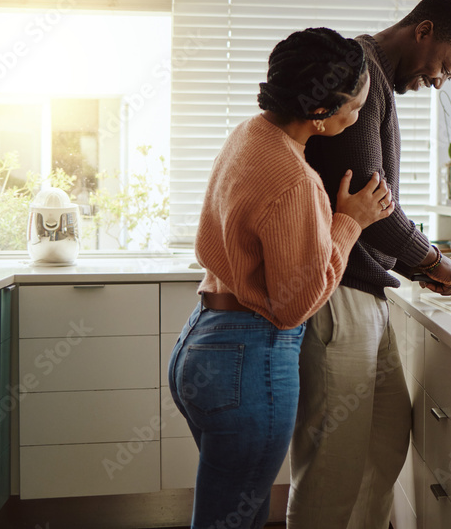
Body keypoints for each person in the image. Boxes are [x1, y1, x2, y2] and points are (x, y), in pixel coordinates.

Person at [168, 27, 395, 529]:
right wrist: (350, 222)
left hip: (200, 344)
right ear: (320, 111)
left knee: (221, 511)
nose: (357, 119)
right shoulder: (293, 177)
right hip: (248, 358)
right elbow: (296, 303)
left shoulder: (250, 134)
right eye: (353, 109)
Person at [290, 0, 451, 529]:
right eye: (445, 66)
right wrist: (432, 259)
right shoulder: (358, 75)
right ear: (423, 30)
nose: (440, 82)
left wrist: (424, 264)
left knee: (383, 440)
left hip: (363, 292)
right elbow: (372, 205)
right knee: (332, 464)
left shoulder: (374, 78)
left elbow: (378, 206)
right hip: (339, 293)